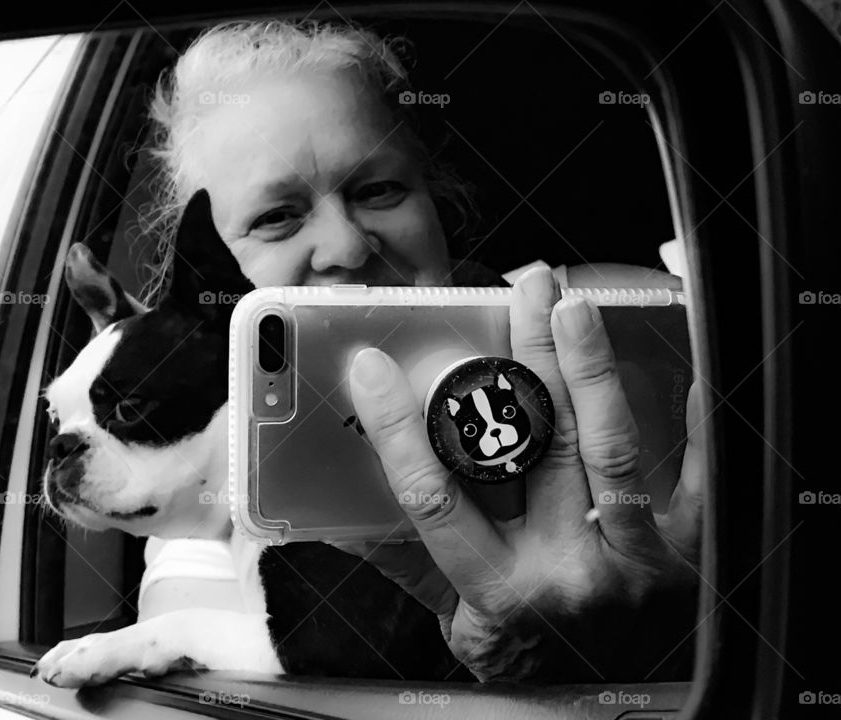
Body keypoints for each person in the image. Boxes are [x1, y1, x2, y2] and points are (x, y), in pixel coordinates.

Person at [136, 19, 703, 683]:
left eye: (378, 189)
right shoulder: (211, 480)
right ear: (210, 271)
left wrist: (663, 624)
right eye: (275, 216)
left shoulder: (596, 359)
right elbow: (187, 661)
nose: (348, 247)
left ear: (434, 201)